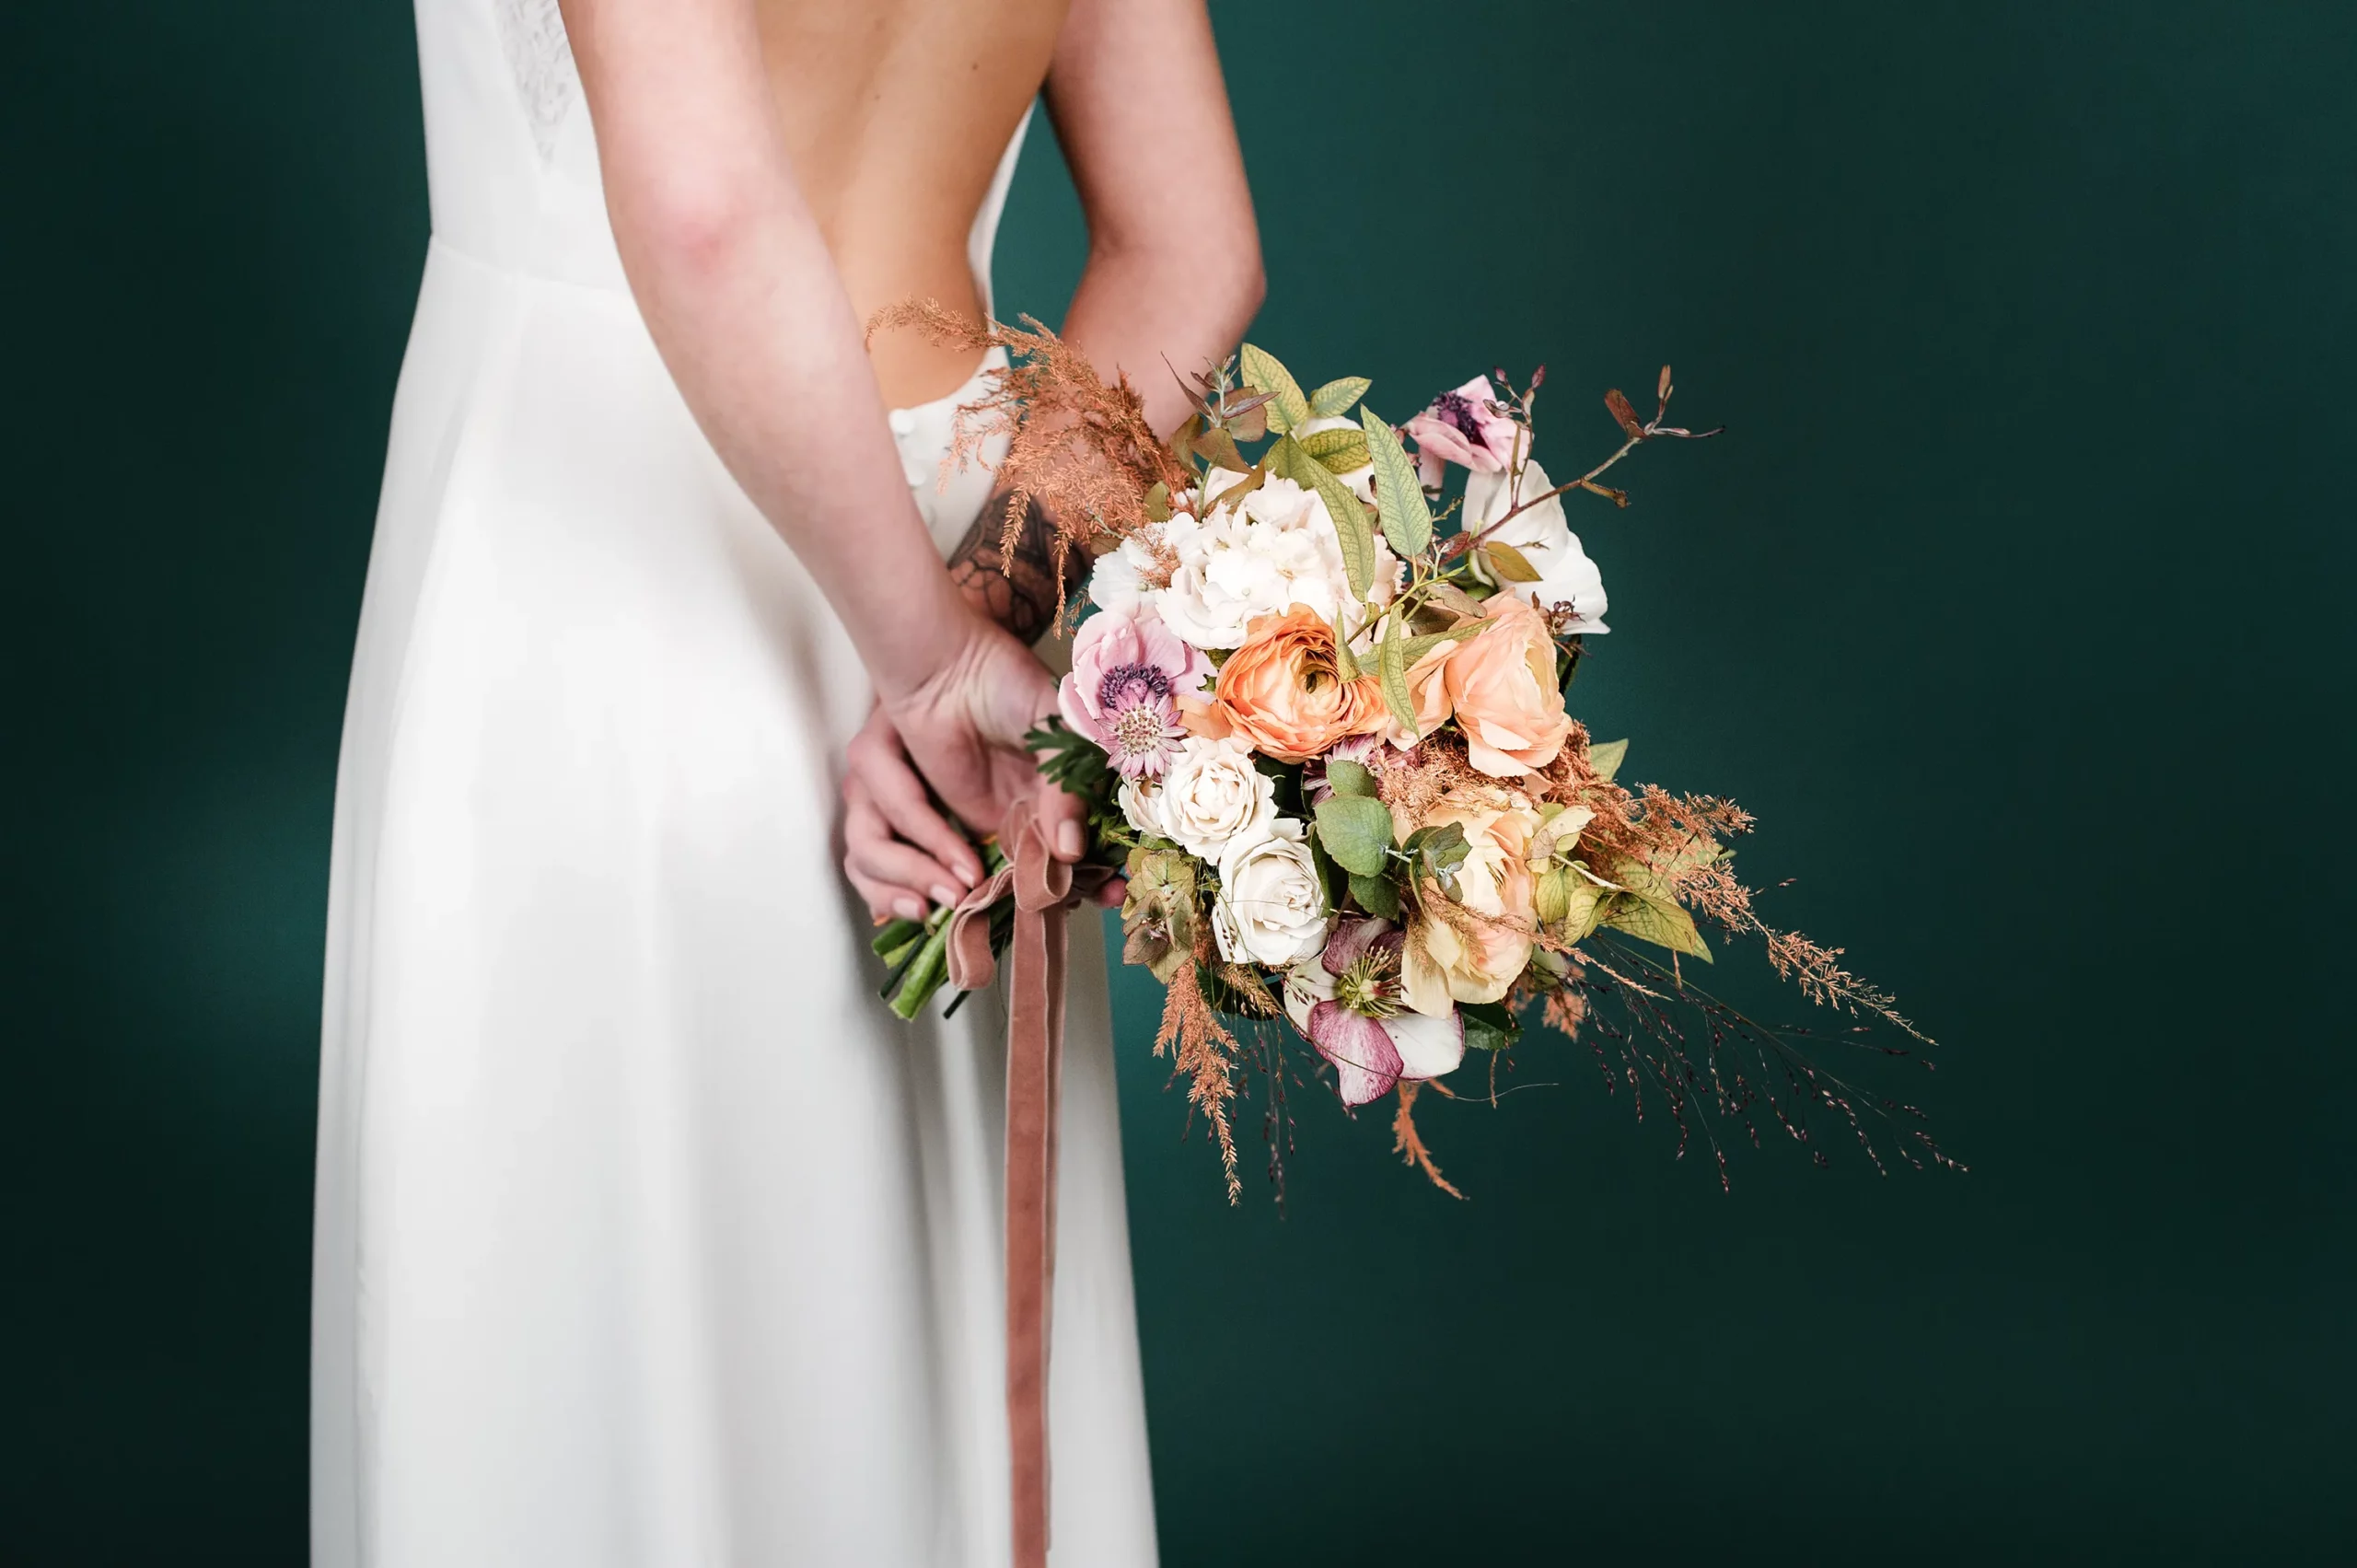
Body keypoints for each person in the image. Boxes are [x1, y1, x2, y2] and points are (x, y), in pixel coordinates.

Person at [313, 1, 1262, 1562]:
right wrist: (978, 623)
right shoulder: (963, 639)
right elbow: (1191, 247)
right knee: (904, 1321)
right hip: (956, 547)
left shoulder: (921, 662)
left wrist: (929, 662)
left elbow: (700, 207)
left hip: (593, 556)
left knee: (579, 1327)